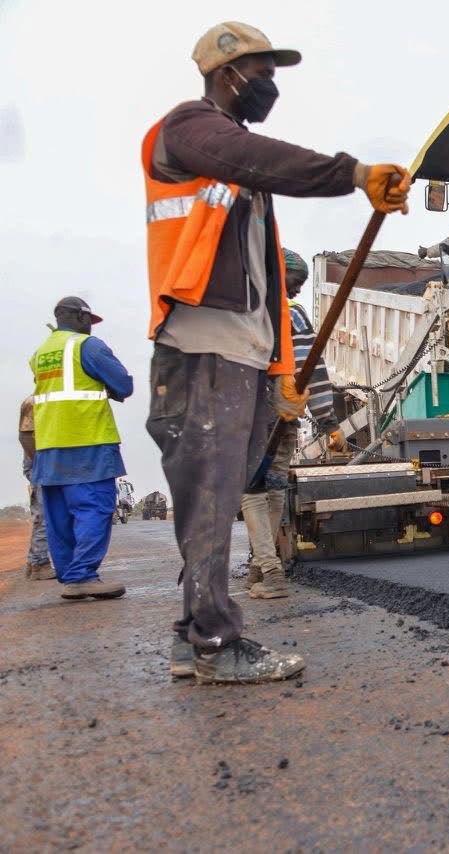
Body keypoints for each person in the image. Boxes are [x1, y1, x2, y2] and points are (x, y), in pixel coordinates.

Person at [144, 21, 411, 684]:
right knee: (210, 495)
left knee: (217, 494)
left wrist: (281, 378)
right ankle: (213, 643)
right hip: (200, 346)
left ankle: (192, 636)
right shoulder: (188, 130)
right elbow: (253, 156)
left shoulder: (242, 182)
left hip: (239, 353)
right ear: (225, 71)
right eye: (260, 71)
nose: (268, 85)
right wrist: (351, 173)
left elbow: (263, 294)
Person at [238, 249, 344, 600]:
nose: (297, 292)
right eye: (295, 283)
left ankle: (270, 572)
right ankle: (260, 566)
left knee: (254, 489)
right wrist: (328, 422)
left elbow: (309, 367)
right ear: (278, 276)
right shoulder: (291, 316)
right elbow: (312, 368)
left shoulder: (240, 311)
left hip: (254, 418)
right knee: (272, 488)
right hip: (280, 417)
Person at [28, 297, 133, 598]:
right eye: (89, 320)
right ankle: (82, 575)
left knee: (59, 514)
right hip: (87, 440)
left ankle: (71, 576)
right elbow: (123, 384)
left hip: (48, 445)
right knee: (94, 507)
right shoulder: (87, 347)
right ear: (76, 316)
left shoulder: (40, 353)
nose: (91, 327)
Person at [18, 396, 54, 579]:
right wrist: (40, 468)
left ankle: (35, 562)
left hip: (42, 463)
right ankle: (39, 563)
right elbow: (24, 437)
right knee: (45, 514)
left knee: (42, 514)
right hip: (39, 464)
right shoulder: (33, 402)